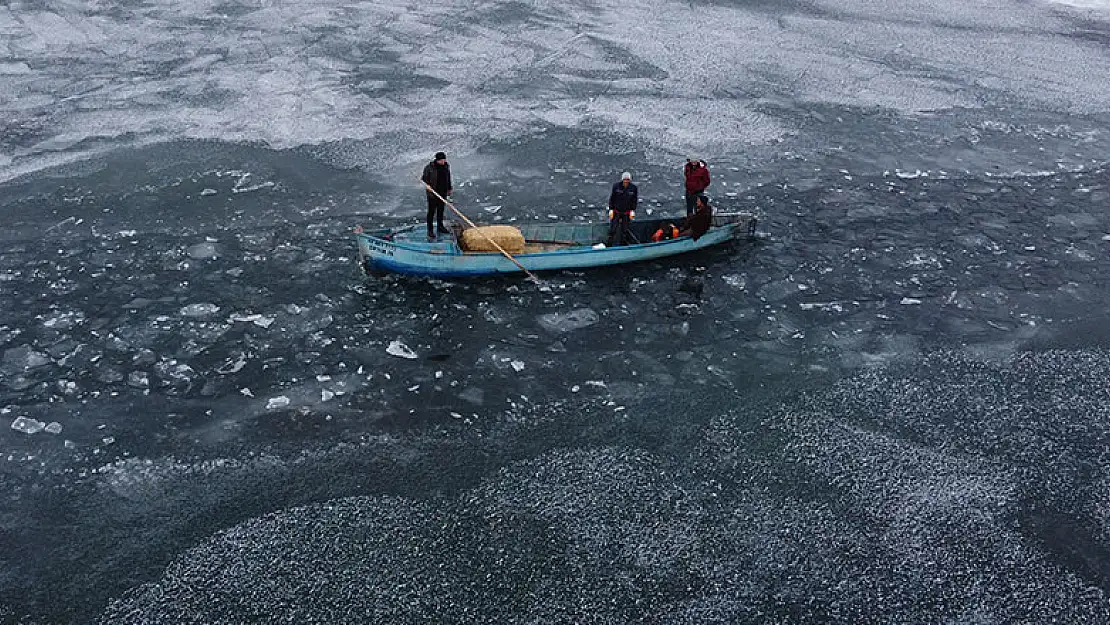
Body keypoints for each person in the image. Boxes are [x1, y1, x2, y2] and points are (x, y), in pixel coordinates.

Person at [421, 151, 453, 240]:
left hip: (443, 192)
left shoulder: (446, 166)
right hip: (433, 193)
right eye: (442, 160)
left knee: (440, 210)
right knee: (431, 212)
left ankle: (440, 227)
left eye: (444, 159)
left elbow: (448, 177)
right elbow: (424, 179)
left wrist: (449, 188)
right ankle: (430, 230)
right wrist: (427, 186)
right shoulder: (429, 168)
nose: (443, 161)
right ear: (437, 160)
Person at [607, 171, 638, 246]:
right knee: (612, 229)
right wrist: (611, 209)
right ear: (622, 179)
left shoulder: (633, 188)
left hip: (626, 213)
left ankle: (623, 245)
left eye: (627, 180)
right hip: (616, 211)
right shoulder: (616, 186)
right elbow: (612, 198)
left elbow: (634, 200)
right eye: (625, 179)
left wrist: (633, 210)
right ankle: (609, 245)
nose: (626, 181)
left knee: (625, 230)